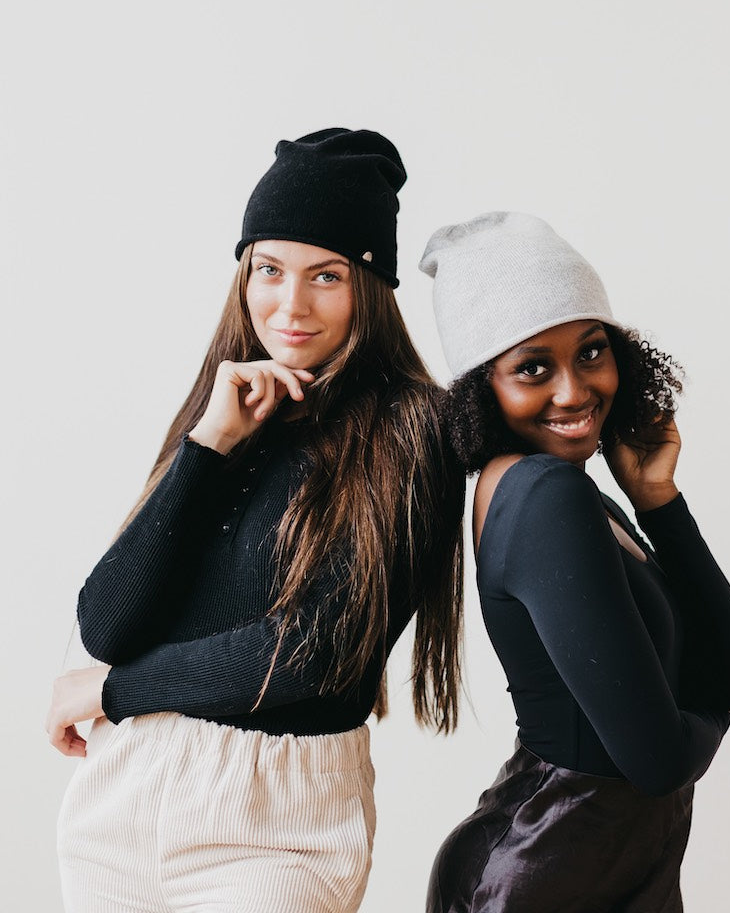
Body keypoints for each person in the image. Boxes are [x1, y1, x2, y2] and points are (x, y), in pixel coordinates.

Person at [46, 128, 464, 913]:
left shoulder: (414, 428)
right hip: (120, 804)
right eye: (267, 269)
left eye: (326, 276)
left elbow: (313, 654)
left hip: (276, 831)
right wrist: (207, 448)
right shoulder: (228, 410)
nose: (290, 305)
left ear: (369, 287)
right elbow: (108, 621)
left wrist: (111, 690)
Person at [419, 212, 730, 913]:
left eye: (591, 351)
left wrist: (659, 502)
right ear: (483, 387)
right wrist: (710, 712)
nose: (575, 392)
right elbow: (659, 758)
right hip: (545, 879)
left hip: (597, 870)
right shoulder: (546, 496)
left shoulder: (581, 498)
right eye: (533, 368)